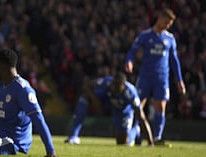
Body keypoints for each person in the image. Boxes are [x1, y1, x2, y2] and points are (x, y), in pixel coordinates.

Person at [124, 8, 186, 144]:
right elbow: (132, 51)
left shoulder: (169, 38)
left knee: (161, 106)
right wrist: (129, 61)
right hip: (145, 76)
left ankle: (157, 137)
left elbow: (174, 61)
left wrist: (180, 81)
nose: (167, 26)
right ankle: (134, 135)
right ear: (160, 18)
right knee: (138, 106)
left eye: (169, 25)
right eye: (166, 22)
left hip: (162, 78)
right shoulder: (145, 35)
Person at [64, 73, 154, 146]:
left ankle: (135, 131)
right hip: (108, 102)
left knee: (122, 143)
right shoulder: (107, 82)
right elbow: (86, 86)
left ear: (123, 86)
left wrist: (150, 142)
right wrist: (95, 100)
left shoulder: (131, 94)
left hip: (123, 111)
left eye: (116, 86)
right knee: (84, 98)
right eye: (113, 84)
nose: (113, 87)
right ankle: (73, 136)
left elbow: (141, 117)